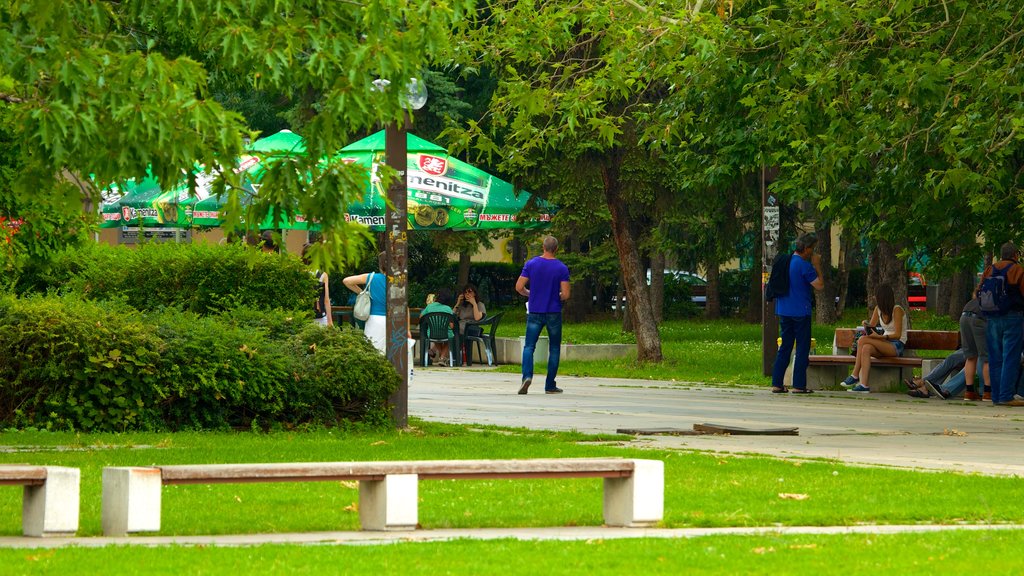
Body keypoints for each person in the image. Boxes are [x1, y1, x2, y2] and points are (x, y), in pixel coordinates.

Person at [770, 233, 825, 394]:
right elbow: (820, 285)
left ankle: (777, 383)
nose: (813, 252)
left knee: (785, 346)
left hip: (783, 310)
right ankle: (799, 385)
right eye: (812, 249)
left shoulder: (785, 262)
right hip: (801, 312)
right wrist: (817, 266)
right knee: (802, 347)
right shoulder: (804, 266)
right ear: (806, 249)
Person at [516, 235, 571, 395]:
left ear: (543, 247)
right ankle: (550, 385)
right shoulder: (561, 268)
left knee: (529, 347)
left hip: (534, 311)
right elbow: (566, 294)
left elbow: (519, 287)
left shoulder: (531, 264)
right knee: (554, 348)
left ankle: (526, 377)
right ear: (556, 249)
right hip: (553, 311)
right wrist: (555, 296)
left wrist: (530, 294)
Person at [907, 299, 989, 400]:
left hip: (983, 348)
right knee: (953, 358)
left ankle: (944, 389)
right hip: (975, 346)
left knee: (975, 362)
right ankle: (925, 383)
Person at [979, 242, 1024, 407]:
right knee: (1010, 357)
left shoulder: (989, 270)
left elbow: (978, 291)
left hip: (992, 318)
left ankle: (996, 396)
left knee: (995, 358)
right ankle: (1006, 396)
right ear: (1015, 255)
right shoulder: (1018, 270)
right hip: (1013, 317)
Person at [842, 284, 908, 393]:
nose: (874, 297)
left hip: (896, 345)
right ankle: (864, 385)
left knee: (863, 340)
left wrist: (880, 337)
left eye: (876, 295)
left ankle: (854, 375)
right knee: (866, 347)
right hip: (884, 343)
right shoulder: (878, 309)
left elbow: (897, 335)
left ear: (882, 297)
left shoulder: (897, 310)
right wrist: (866, 325)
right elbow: (871, 328)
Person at [343, 252, 388, 354]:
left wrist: (361, 292)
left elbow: (347, 281)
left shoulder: (372, 278)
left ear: (381, 265)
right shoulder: (398, 281)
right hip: (394, 321)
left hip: (374, 319)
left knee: (372, 352)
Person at [421, 288, 456, 366]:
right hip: (446, 334)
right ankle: (442, 357)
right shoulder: (448, 309)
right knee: (449, 338)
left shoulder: (429, 306)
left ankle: (442, 357)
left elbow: (421, 317)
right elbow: (451, 325)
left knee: (435, 336)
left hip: (432, 333)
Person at [454, 283, 487, 365]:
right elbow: (452, 315)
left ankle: (455, 358)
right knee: (451, 331)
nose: (467, 294)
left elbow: (477, 318)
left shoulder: (480, 304)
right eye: (465, 292)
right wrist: (458, 303)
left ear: (474, 293)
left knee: (455, 332)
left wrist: (474, 304)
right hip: (460, 327)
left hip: (471, 327)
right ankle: (451, 357)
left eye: (470, 292)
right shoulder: (462, 305)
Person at [302, 243, 332, 328]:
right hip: (320, 316)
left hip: (303, 316)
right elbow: (326, 300)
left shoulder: (299, 272)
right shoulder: (323, 275)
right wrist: (330, 321)